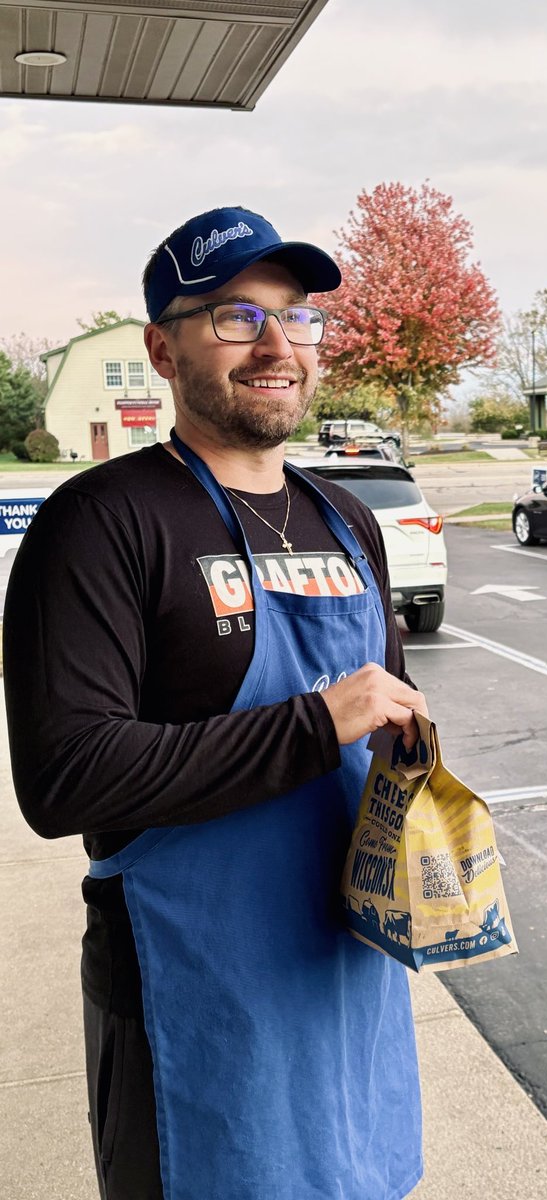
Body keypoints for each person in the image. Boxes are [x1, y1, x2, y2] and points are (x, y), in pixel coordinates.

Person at [3, 206, 428, 1200]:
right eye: (236, 317)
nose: (278, 345)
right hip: (196, 999)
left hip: (347, 981)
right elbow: (66, 779)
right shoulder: (103, 524)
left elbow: (384, 706)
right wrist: (319, 723)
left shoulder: (348, 518)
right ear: (162, 347)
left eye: (298, 316)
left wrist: (421, 791)